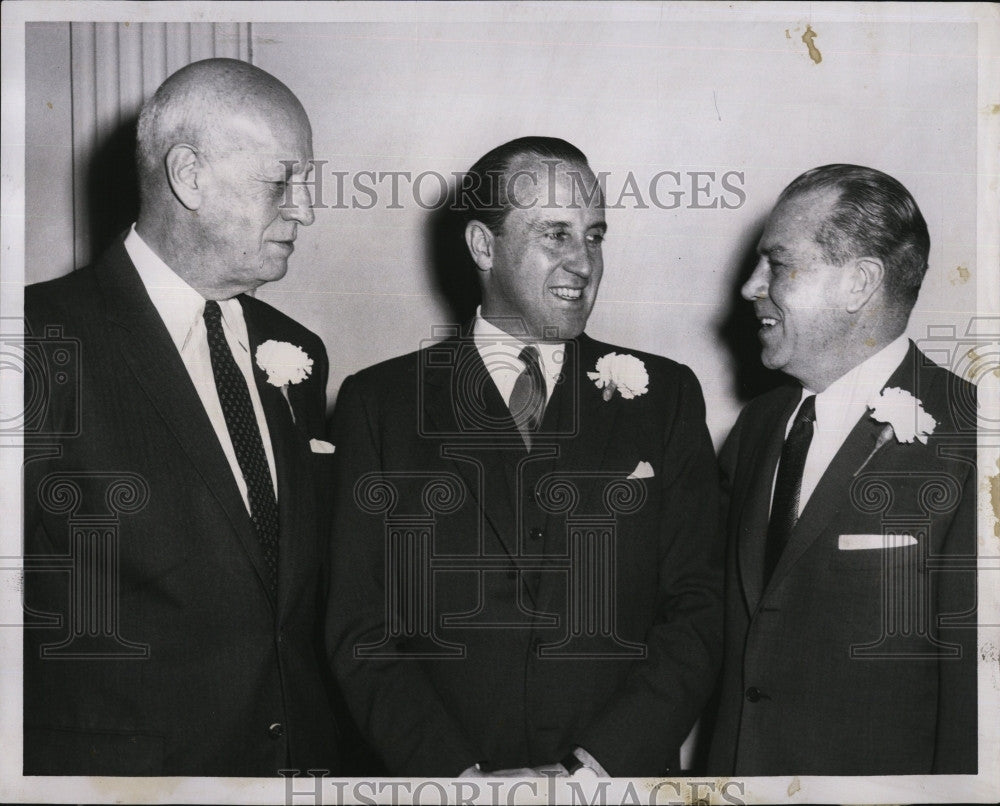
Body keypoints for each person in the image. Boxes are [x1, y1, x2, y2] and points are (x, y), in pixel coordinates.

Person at [327, 136, 724, 777]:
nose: (583, 263)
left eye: (595, 236)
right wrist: (460, 777)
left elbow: (698, 608)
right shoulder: (380, 404)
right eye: (556, 235)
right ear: (484, 246)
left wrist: (594, 767)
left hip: (616, 785)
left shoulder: (667, 396)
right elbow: (359, 627)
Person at [23, 58, 340, 776]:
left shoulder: (298, 354)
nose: (307, 210)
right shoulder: (38, 341)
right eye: (282, 181)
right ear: (190, 176)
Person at [707, 164, 978, 775]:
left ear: (859, 283)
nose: (751, 287)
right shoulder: (756, 427)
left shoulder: (973, 438)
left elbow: (976, 710)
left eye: (778, 263)